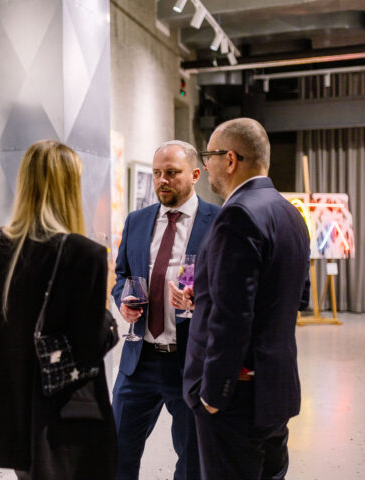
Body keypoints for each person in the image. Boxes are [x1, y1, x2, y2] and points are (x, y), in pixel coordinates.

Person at [0, 140, 118, 479]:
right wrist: (105, 298)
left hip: (14, 415)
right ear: (70, 186)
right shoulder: (84, 254)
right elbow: (90, 347)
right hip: (69, 417)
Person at [179, 118, 310, 480]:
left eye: (208, 156)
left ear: (230, 159)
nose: (206, 166)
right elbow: (296, 297)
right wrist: (206, 296)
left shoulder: (237, 215)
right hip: (275, 389)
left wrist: (213, 395)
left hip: (235, 397)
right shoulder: (290, 213)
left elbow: (232, 318)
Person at [111, 140, 220, 480]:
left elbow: (230, 287)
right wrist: (123, 301)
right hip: (139, 360)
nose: (163, 180)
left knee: (191, 459)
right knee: (116, 452)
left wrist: (200, 301)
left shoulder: (218, 221)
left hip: (188, 360)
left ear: (196, 175)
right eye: (158, 173)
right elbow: (122, 276)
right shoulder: (137, 221)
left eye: (172, 173)